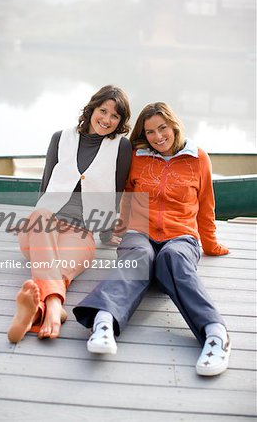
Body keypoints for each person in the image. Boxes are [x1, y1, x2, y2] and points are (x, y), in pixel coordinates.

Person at [73, 102, 231, 377]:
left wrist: (211, 245)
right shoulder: (137, 156)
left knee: (173, 257)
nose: (158, 137)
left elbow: (206, 207)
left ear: (174, 125)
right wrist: (115, 230)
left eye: (163, 128)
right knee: (139, 256)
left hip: (181, 236)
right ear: (143, 135)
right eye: (150, 132)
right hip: (139, 233)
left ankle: (215, 334)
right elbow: (125, 197)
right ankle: (103, 321)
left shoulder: (199, 158)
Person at [7, 85, 132, 343]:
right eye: (103, 111)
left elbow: (116, 192)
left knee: (56, 266)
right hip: (42, 226)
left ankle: (42, 308)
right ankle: (53, 307)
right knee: (41, 216)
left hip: (81, 232)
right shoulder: (60, 137)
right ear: (92, 108)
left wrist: (107, 234)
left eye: (115, 116)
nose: (107, 120)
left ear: (120, 121)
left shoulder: (121, 147)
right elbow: (45, 185)